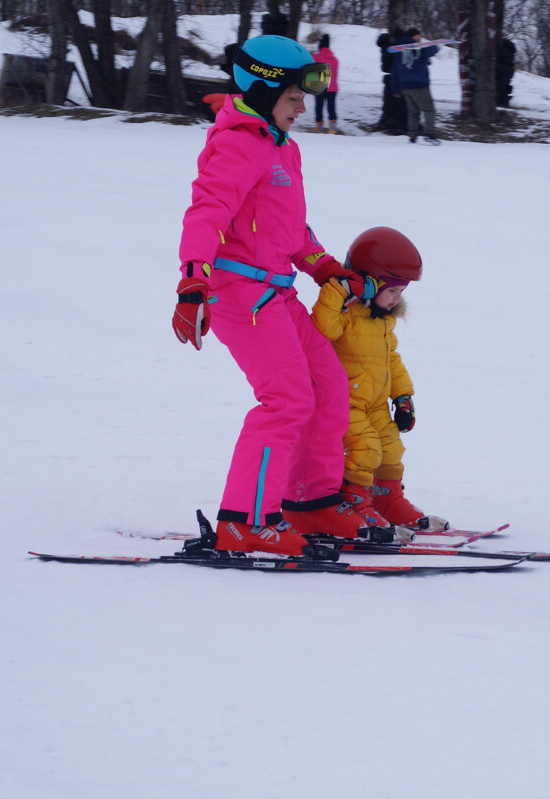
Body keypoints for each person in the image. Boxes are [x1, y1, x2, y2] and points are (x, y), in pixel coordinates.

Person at [172, 35, 395, 557]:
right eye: (294, 98)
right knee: (287, 400)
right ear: (263, 90)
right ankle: (244, 520)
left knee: (330, 385)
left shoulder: (283, 148)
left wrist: (327, 270)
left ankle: (310, 501)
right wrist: (192, 282)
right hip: (237, 292)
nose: (302, 108)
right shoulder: (234, 144)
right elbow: (206, 214)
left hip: (278, 292)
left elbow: (292, 230)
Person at [311, 227, 448, 537]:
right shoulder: (345, 313)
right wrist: (336, 291)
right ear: (369, 284)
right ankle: (355, 505)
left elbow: (392, 361)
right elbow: (323, 329)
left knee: (391, 450)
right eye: (393, 291)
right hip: (346, 403)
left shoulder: (382, 321)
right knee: (366, 450)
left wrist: (403, 396)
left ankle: (388, 502)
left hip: (376, 405)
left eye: (401, 293)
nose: (397, 299)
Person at [390, 28, 440, 144]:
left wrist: (396, 89)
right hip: (419, 84)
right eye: (418, 36)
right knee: (429, 109)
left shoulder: (398, 50)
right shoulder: (416, 47)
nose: (419, 39)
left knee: (413, 112)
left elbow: (395, 71)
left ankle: (412, 136)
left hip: (405, 86)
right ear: (413, 36)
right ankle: (429, 133)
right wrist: (436, 46)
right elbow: (428, 51)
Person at [312, 34, 340, 133]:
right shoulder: (335, 60)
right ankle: (333, 128)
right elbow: (335, 74)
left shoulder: (317, 57)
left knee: (319, 106)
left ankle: (319, 127)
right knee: (331, 107)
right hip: (333, 87)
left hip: (320, 86)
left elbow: (313, 72)